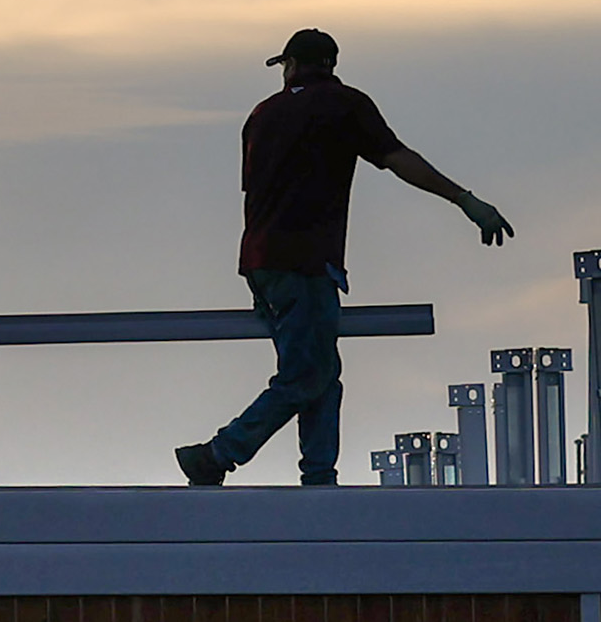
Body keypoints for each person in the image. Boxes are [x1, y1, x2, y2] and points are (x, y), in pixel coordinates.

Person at [176, 29, 512, 487]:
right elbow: (397, 158)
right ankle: (217, 455)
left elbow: (253, 195)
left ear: (291, 65)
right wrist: (463, 199)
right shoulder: (345, 105)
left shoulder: (262, 114)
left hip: (262, 261)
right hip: (307, 261)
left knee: (321, 372)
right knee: (305, 375)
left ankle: (318, 474)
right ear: (329, 65)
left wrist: (256, 274)